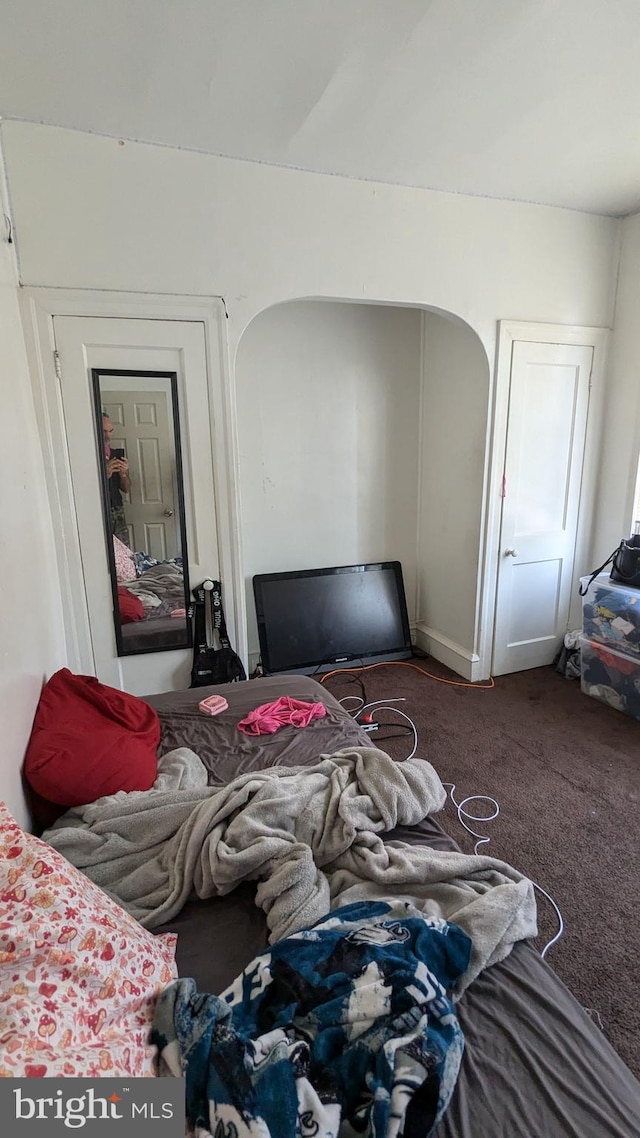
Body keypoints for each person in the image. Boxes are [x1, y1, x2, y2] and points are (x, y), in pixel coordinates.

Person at [102, 413, 132, 545]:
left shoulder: (115, 454)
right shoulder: (89, 456)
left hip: (117, 510)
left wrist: (123, 474)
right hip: (99, 511)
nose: (108, 436)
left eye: (110, 431)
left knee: (123, 552)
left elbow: (126, 489)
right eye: (104, 431)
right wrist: (105, 474)